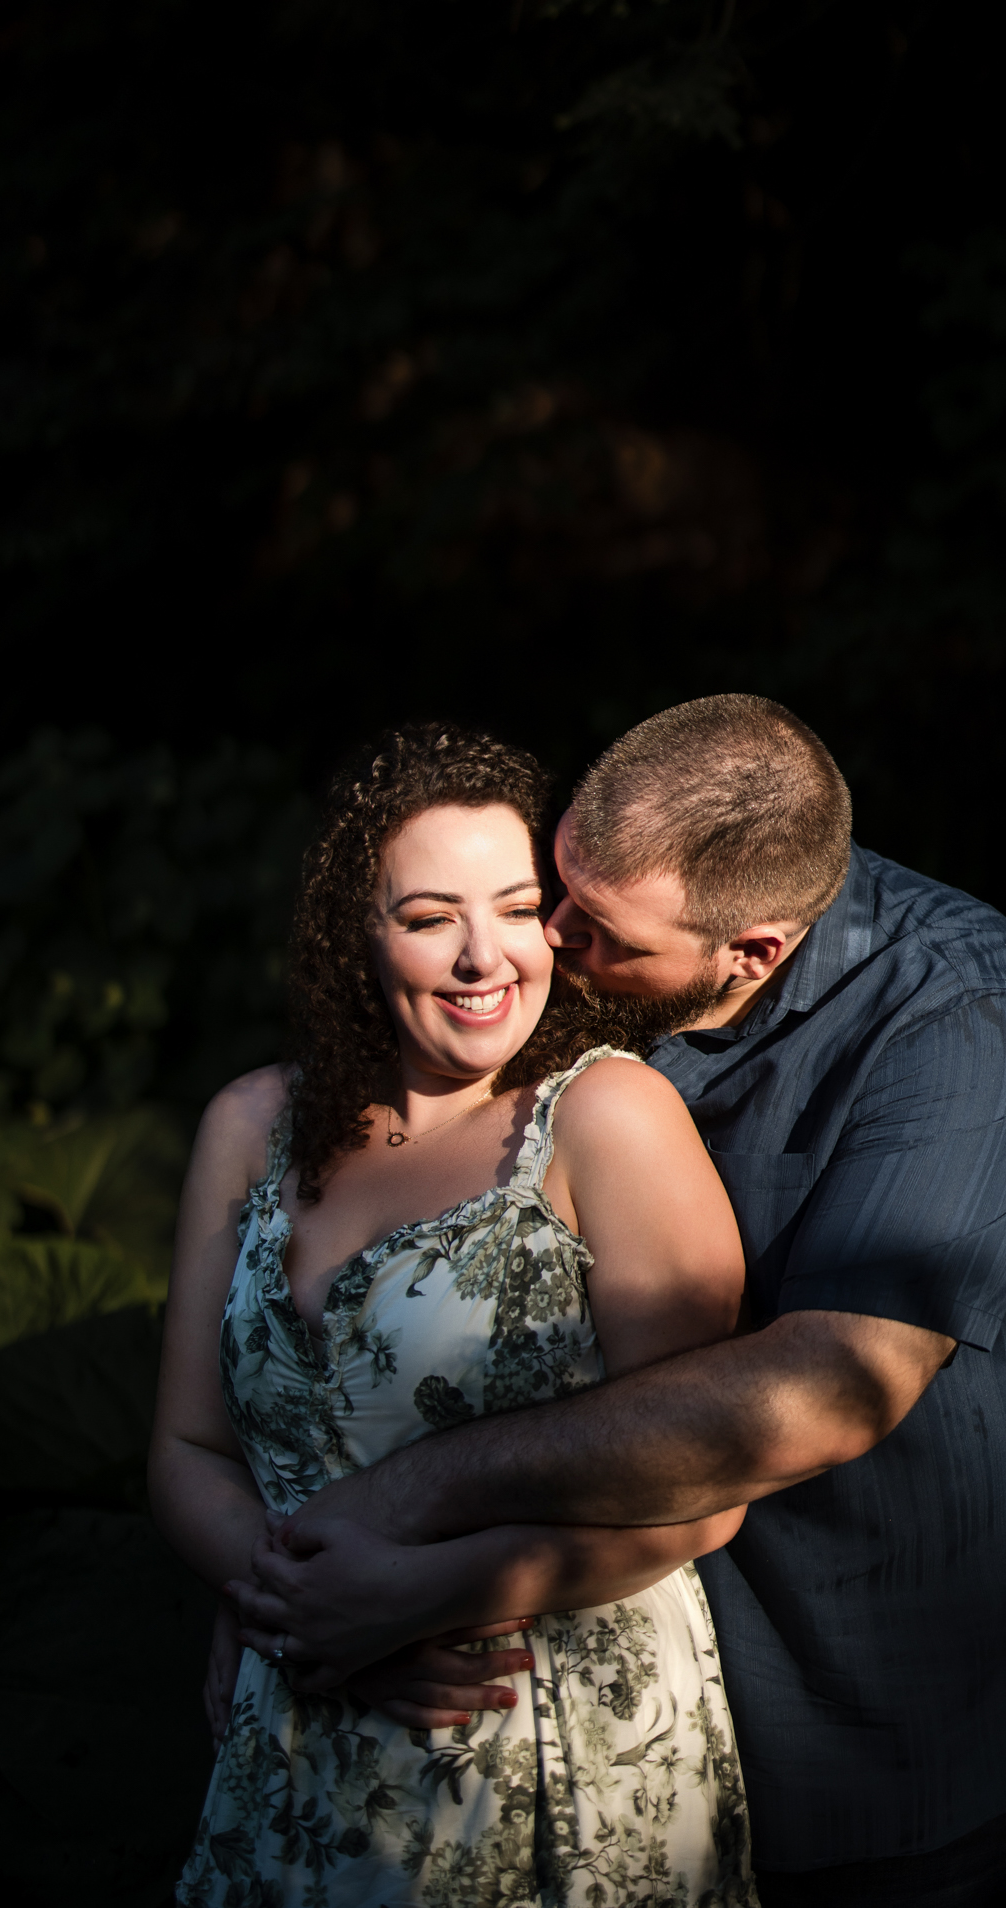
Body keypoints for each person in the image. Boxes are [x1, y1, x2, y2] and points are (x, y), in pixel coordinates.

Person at [230, 695, 1006, 1907]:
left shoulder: (962, 1015)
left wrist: (406, 1499)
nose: (545, 937)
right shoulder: (612, 953)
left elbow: (828, 1387)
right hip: (626, 1694)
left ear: (748, 950)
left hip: (884, 1699)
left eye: (588, 926)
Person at [149, 722, 761, 1908]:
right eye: (428, 916)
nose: (485, 955)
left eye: (518, 906)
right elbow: (185, 1451)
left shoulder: (605, 1119)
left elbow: (709, 1483)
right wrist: (292, 1606)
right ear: (357, 940)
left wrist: (426, 1595)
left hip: (548, 1729)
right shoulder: (247, 1127)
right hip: (304, 1718)